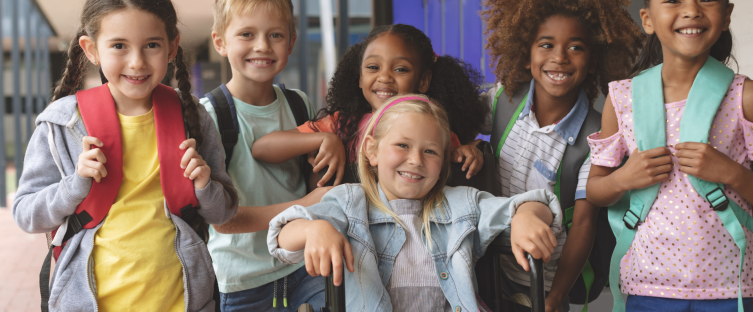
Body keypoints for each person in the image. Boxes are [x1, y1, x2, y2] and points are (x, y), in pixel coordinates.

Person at [12, 0, 238, 310]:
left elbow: (223, 212)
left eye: (152, 45)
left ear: (172, 47)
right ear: (91, 49)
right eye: (119, 45)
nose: (137, 62)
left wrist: (205, 185)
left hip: (182, 301)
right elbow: (26, 213)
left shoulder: (192, 117)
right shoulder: (63, 123)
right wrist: (74, 184)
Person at [267, 94, 562, 311]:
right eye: (402, 145)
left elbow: (536, 203)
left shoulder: (461, 204)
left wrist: (526, 215)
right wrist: (314, 229)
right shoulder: (349, 202)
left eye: (430, 151)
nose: (415, 160)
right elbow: (283, 234)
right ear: (372, 150)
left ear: (443, 161)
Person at [586, 1, 753, 311]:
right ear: (647, 19)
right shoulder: (622, 99)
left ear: (727, 15)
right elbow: (595, 191)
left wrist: (732, 173)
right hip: (648, 286)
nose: (692, 9)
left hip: (728, 288)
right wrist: (625, 178)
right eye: (673, 0)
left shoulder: (748, 97)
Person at [478, 0, 645, 310]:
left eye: (576, 48)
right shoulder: (503, 97)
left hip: (543, 280)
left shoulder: (596, 133)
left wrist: (555, 297)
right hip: (485, 265)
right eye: (546, 44)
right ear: (526, 55)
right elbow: (445, 126)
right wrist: (464, 145)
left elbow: (583, 225)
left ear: (593, 61)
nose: (559, 58)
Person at [200, 1, 330, 311]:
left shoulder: (300, 104)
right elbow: (223, 221)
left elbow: (316, 181)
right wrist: (308, 206)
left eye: (275, 35)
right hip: (243, 282)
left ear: (292, 42)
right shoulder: (208, 117)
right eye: (246, 33)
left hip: (304, 267)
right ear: (220, 41)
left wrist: (331, 143)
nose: (262, 46)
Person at [252, 24, 489, 187]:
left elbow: (455, 162)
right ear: (359, 77)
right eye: (373, 68)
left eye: (400, 69)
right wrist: (324, 139)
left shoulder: (436, 130)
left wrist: (465, 153)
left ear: (424, 80)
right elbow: (263, 148)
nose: (384, 77)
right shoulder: (342, 124)